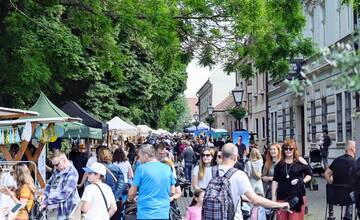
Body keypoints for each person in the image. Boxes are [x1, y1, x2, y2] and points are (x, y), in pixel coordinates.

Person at [206, 143, 290, 217]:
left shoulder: (209, 171)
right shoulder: (239, 174)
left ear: (222, 156)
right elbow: (256, 200)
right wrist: (279, 205)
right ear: (235, 157)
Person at [128, 144, 176, 219]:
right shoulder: (167, 168)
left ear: (146, 155)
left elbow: (132, 193)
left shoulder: (141, 169)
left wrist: (131, 198)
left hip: (145, 213)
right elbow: (172, 191)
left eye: (140, 156)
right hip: (163, 212)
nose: (139, 159)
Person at [272, 139, 312, 220]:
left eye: (290, 149)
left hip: (297, 197)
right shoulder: (279, 163)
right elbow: (275, 180)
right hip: (282, 197)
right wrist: (273, 196)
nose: (288, 151)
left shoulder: (300, 161)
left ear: (294, 149)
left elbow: (310, 174)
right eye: (286, 149)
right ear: (283, 150)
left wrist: (302, 181)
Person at [324, 140, 356, 220]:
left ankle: (331, 215)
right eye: (355, 148)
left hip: (335, 197)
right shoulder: (354, 163)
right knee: (353, 191)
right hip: (348, 199)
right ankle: (348, 216)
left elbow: (326, 174)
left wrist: (332, 184)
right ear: (352, 149)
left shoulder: (336, 160)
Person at [43, 153, 80, 220]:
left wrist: (47, 202)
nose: (55, 167)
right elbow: (49, 184)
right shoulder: (57, 170)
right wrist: (45, 195)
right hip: (53, 208)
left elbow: (64, 195)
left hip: (65, 211)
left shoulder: (72, 173)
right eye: (53, 165)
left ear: (64, 160)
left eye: (56, 165)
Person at [97, 147, 125, 220]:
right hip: (115, 200)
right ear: (110, 156)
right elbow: (121, 185)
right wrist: (114, 197)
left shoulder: (96, 168)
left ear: (99, 156)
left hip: (101, 200)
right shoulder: (116, 168)